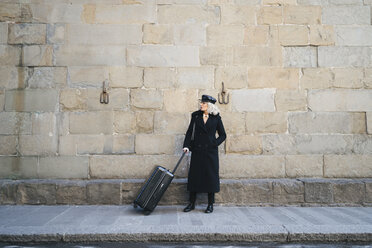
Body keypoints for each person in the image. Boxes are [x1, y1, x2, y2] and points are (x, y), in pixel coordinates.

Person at [182, 94, 226, 213]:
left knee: (210, 177)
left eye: (204, 103)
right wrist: (186, 146)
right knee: (194, 176)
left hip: (210, 152)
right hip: (197, 150)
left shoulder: (216, 118)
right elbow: (189, 132)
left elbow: (223, 135)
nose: (201, 104)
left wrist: (214, 143)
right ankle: (191, 203)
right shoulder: (195, 116)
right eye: (201, 102)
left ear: (209, 105)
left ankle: (210, 204)